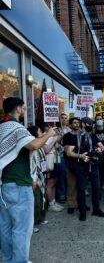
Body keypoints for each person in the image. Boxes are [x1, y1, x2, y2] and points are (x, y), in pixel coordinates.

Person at [0, 97, 55, 263]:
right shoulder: (16, 127)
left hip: (5, 186)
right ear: (17, 108)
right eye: (23, 108)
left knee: (6, 228)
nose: (24, 111)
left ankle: (9, 260)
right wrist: (48, 134)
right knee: (22, 230)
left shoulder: (2, 127)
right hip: (19, 186)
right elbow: (34, 145)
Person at [28, 125, 48, 233]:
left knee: (41, 199)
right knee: (35, 201)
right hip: (35, 177)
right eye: (39, 131)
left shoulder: (39, 145)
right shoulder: (33, 147)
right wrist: (33, 179)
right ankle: (33, 223)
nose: (41, 132)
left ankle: (41, 218)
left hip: (41, 175)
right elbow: (32, 164)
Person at [43, 123, 64, 212]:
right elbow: (46, 149)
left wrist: (57, 139)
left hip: (56, 161)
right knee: (49, 184)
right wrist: (54, 139)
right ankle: (50, 203)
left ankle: (54, 201)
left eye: (51, 126)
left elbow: (58, 147)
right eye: (47, 125)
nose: (49, 127)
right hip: (49, 163)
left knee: (54, 183)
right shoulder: (43, 136)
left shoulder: (53, 135)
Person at [56, 113, 70, 203]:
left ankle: (69, 193)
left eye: (65, 118)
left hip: (69, 155)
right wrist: (60, 137)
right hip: (60, 155)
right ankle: (61, 194)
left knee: (68, 175)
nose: (64, 120)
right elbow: (54, 142)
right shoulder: (56, 130)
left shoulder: (69, 129)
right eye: (62, 118)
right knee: (61, 175)